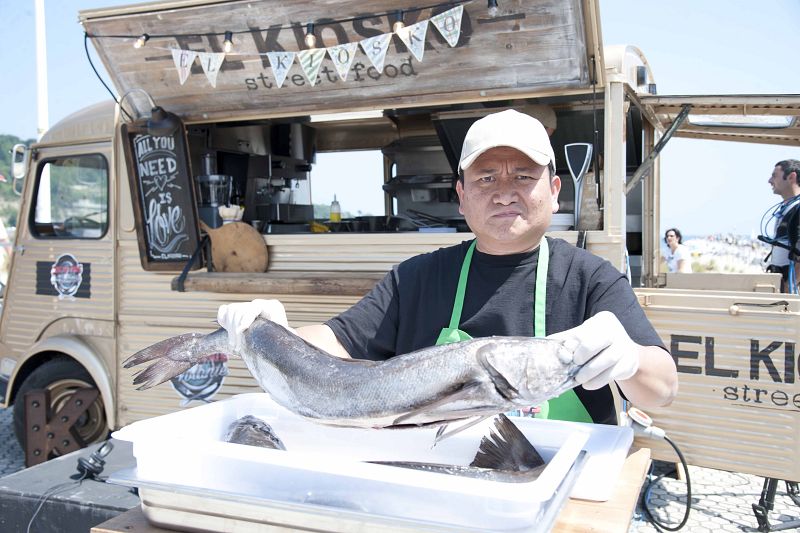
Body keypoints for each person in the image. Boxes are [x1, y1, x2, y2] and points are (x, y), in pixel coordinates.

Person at [218, 109, 678, 425]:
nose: (504, 192)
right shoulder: (417, 278)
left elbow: (662, 389)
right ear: (461, 196)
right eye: (486, 178)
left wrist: (631, 360)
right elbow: (335, 341)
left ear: (555, 191)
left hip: (557, 486)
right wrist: (271, 331)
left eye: (523, 176)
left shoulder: (590, 279)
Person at [764, 159, 800, 293]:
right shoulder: (788, 207)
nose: (769, 180)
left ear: (791, 177)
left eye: (774, 176)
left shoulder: (797, 208)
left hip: (790, 287)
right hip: (782, 281)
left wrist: (789, 285)